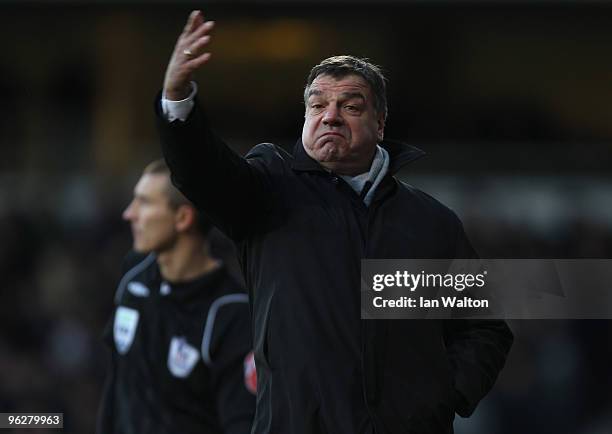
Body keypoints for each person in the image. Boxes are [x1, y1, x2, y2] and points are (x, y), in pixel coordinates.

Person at [155, 10, 513, 434]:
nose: (331, 115)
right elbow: (203, 172)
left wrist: (443, 397)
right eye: (318, 104)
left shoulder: (430, 221)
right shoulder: (270, 189)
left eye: (351, 105)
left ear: (380, 123)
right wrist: (178, 99)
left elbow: (484, 328)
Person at [97, 159, 256, 434]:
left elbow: (242, 422)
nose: (129, 213)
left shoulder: (230, 314)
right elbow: (115, 388)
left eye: (144, 202)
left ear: (183, 218)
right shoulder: (133, 284)